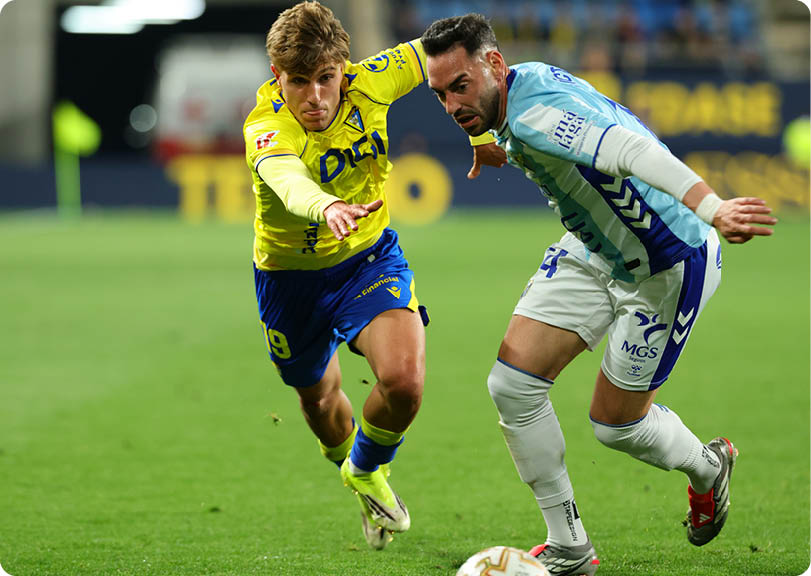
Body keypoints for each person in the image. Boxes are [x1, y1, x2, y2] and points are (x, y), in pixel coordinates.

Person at [420, 14, 776, 575]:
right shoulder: (523, 84)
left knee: (616, 426)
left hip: (667, 265)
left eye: (459, 87)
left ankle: (708, 468)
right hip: (594, 249)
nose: (451, 106)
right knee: (513, 386)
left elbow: (633, 152)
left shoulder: (536, 114)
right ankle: (569, 546)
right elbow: (568, 147)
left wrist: (714, 207)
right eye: (440, 94)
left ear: (493, 65)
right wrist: (506, 152)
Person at [243, 1, 430, 550]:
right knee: (320, 402)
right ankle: (355, 471)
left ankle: (368, 470)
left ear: (344, 68)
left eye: (327, 79)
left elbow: (448, 48)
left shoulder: (373, 81)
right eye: (298, 82)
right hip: (288, 281)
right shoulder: (265, 125)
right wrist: (324, 206)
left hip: (366, 261)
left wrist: (481, 130)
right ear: (277, 77)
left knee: (404, 382)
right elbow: (286, 179)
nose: (315, 97)